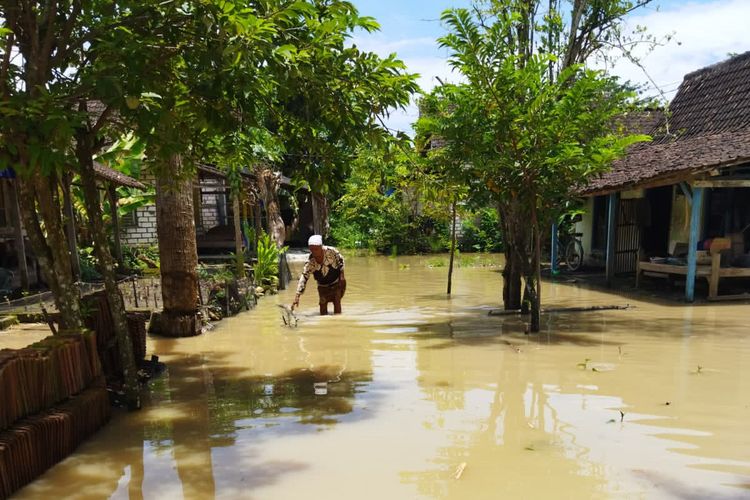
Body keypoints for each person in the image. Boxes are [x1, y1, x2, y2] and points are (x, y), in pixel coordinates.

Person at [291, 235, 346, 315]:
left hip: (336, 283)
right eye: (311, 249)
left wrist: (342, 276)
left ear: (321, 247)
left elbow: (341, 260)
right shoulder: (310, 262)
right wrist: (297, 296)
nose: (314, 252)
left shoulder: (331, 252)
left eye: (316, 249)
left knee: (337, 302)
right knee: (322, 305)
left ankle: (338, 322)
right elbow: (304, 277)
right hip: (322, 286)